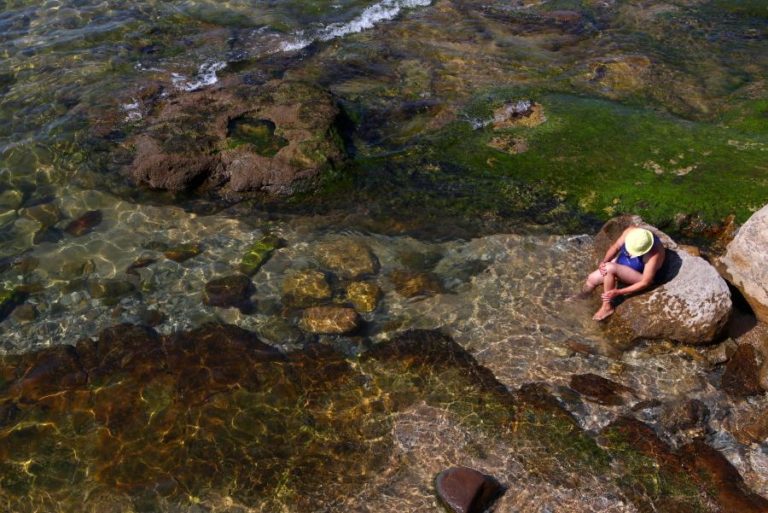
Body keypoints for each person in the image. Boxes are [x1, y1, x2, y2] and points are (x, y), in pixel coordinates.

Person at [570, 226, 666, 321]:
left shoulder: (654, 254)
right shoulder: (631, 231)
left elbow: (646, 282)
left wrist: (619, 292)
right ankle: (584, 294)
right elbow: (615, 247)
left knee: (609, 268)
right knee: (592, 278)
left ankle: (607, 306)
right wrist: (604, 262)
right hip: (622, 263)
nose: (630, 252)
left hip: (640, 275)